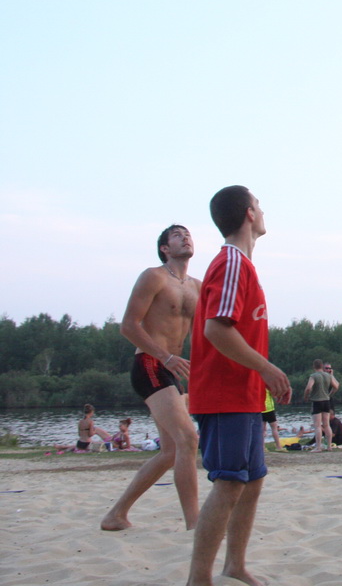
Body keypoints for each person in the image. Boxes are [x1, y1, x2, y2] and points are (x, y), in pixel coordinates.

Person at [187, 185, 292, 586]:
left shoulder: (243, 264)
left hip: (245, 395)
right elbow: (216, 329)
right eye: (259, 204)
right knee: (230, 481)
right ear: (249, 213)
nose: (263, 211)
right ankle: (199, 578)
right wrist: (266, 368)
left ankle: (235, 565)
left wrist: (263, 377)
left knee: (252, 480)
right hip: (223, 394)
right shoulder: (231, 262)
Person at [101, 224, 201, 532]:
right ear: (165, 249)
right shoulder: (153, 277)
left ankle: (116, 515)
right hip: (149, 363)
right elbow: (128, 326)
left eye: (188, 234)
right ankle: (195, 524)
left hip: (173, 370)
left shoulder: (197, 286)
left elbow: (202, 335)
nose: (185, 237)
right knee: (188, 439)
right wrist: (165, 357)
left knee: (171, 451)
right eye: (177, 235)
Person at [303, 359, 338, 452]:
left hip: (317, 401)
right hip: (326, 401)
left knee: (318, 425)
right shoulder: (328, 376)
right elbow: (336, 386)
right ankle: (329, 446)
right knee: (327, 425)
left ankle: (318, 447)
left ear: (314, 366)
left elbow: (308, 388)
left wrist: (306, 396)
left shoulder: (313, 376)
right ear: (322, 366)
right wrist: (329, 394)